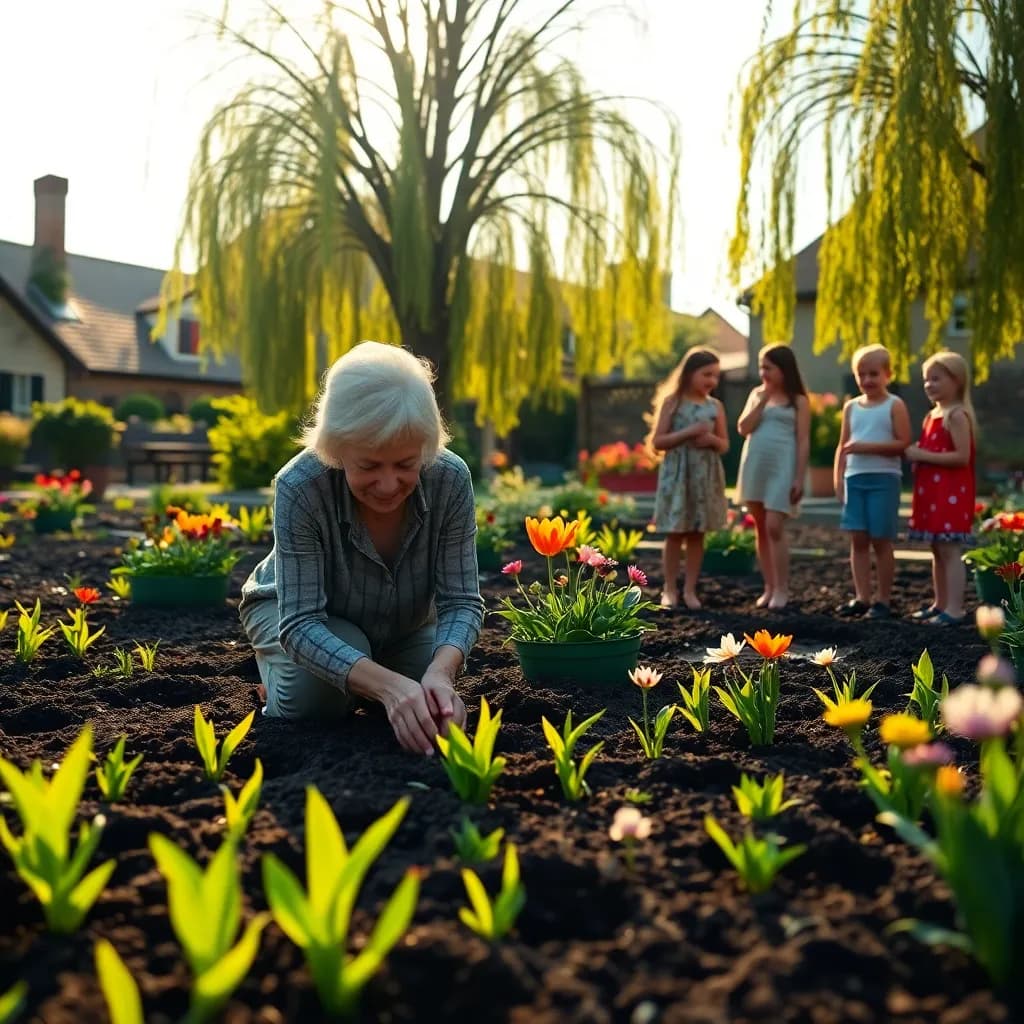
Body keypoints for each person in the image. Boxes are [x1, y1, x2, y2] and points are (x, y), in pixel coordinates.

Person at [238, 341, 485, 756]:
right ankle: (276, 673)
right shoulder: (301, 487)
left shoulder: (449, 478)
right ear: (336, 449)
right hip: (299, 613)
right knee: (317, 701)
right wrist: (390, 689)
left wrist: (441, 676)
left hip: (403, 624)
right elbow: (300, 624)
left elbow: (462, 602)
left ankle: (369, 674)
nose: (389, 485)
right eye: (369, 466)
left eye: (406, 464)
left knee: (430, 703)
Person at [834, 343, 912, 619]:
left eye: (874, 374)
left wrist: (866, 447)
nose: (867, 380)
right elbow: (843, 446)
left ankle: (883, 599)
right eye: (861, 374)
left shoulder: (895, 404)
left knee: (881, 539)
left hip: (884, 479)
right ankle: (862, 597)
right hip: (855, 479)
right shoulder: (851, 407)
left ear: (888, 374)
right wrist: (838, 479)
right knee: (858, 539)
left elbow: (903, 443)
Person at [648, 347, 729, 609]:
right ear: (690, 373)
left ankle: (691, 590)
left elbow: (725, 445)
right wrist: (689, 432)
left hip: (704, 475)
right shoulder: (672, 403)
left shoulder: (715, 407)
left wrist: (711, 440)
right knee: (674, 532)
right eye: (706, 374)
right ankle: (669, 588)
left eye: (716, 376)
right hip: (678, 475)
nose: (712, 381)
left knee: (697, 533)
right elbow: (657, 442)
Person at [735, 344, 810, 609]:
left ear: (783, 369)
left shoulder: (798, 401)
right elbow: (743, 428)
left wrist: (799, 477)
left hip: (782, 467)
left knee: (774, 526)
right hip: (756, 465)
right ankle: (768, 587)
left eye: (769, 367)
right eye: (761, 367)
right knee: (760, 527)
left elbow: (802, 440)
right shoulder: (757, 394)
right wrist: (763, 399)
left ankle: (782, 588)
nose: (763, 372)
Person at [904, 351, 975, 625]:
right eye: (926, 380)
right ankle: (940, 603)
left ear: (956, 381)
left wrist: (921, 455)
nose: (929, 385)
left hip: (950, 494)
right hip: (932, 492)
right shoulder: (932, 415)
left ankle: (955, 609)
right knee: (936, 548)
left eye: (936, 378)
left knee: (949, 549)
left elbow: (961, 457)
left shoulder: (956, 416)